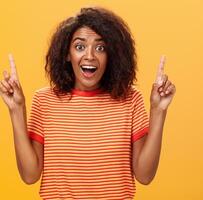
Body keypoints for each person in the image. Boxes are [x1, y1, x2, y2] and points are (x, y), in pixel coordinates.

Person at [0, 7, 176, 199]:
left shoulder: (130, 100)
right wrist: (16, 109)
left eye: (100, 48)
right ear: (67, 54)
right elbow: (29, 175)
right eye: (80, 46)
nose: (90, 56)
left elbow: (145, 176)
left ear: (111, 56)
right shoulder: (44, 101)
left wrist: (158, 111)